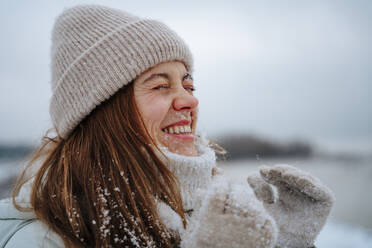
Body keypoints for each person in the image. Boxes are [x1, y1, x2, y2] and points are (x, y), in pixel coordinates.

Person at [0, 5, 334, 248]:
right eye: (161, 86)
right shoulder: (43, 240)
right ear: (102, 113)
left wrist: (286, 245)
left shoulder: (209, 210)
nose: (190, 102)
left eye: (189, 86)